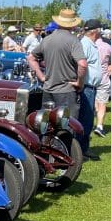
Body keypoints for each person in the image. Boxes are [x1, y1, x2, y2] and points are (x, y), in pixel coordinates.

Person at [26, 9, 88, 149]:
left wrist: (41, 76)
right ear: (72, 25)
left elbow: (31, 57)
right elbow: (83, 64)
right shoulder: (73, 41)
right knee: (66, 126)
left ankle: (45, 152)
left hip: (48, 89)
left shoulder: (47, 39)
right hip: (66, 90)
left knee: (44, 124)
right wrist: (80, 82)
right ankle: (63, 156)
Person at [78, 19, 103, 157]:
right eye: (100, 29)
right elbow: (81, 64)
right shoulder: (85, 44)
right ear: (95, 31)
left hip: (90, 87)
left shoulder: (90, 44)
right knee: (85, 119)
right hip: (86, 86)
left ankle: (83, 148)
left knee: (88, 118)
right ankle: (80, 150)